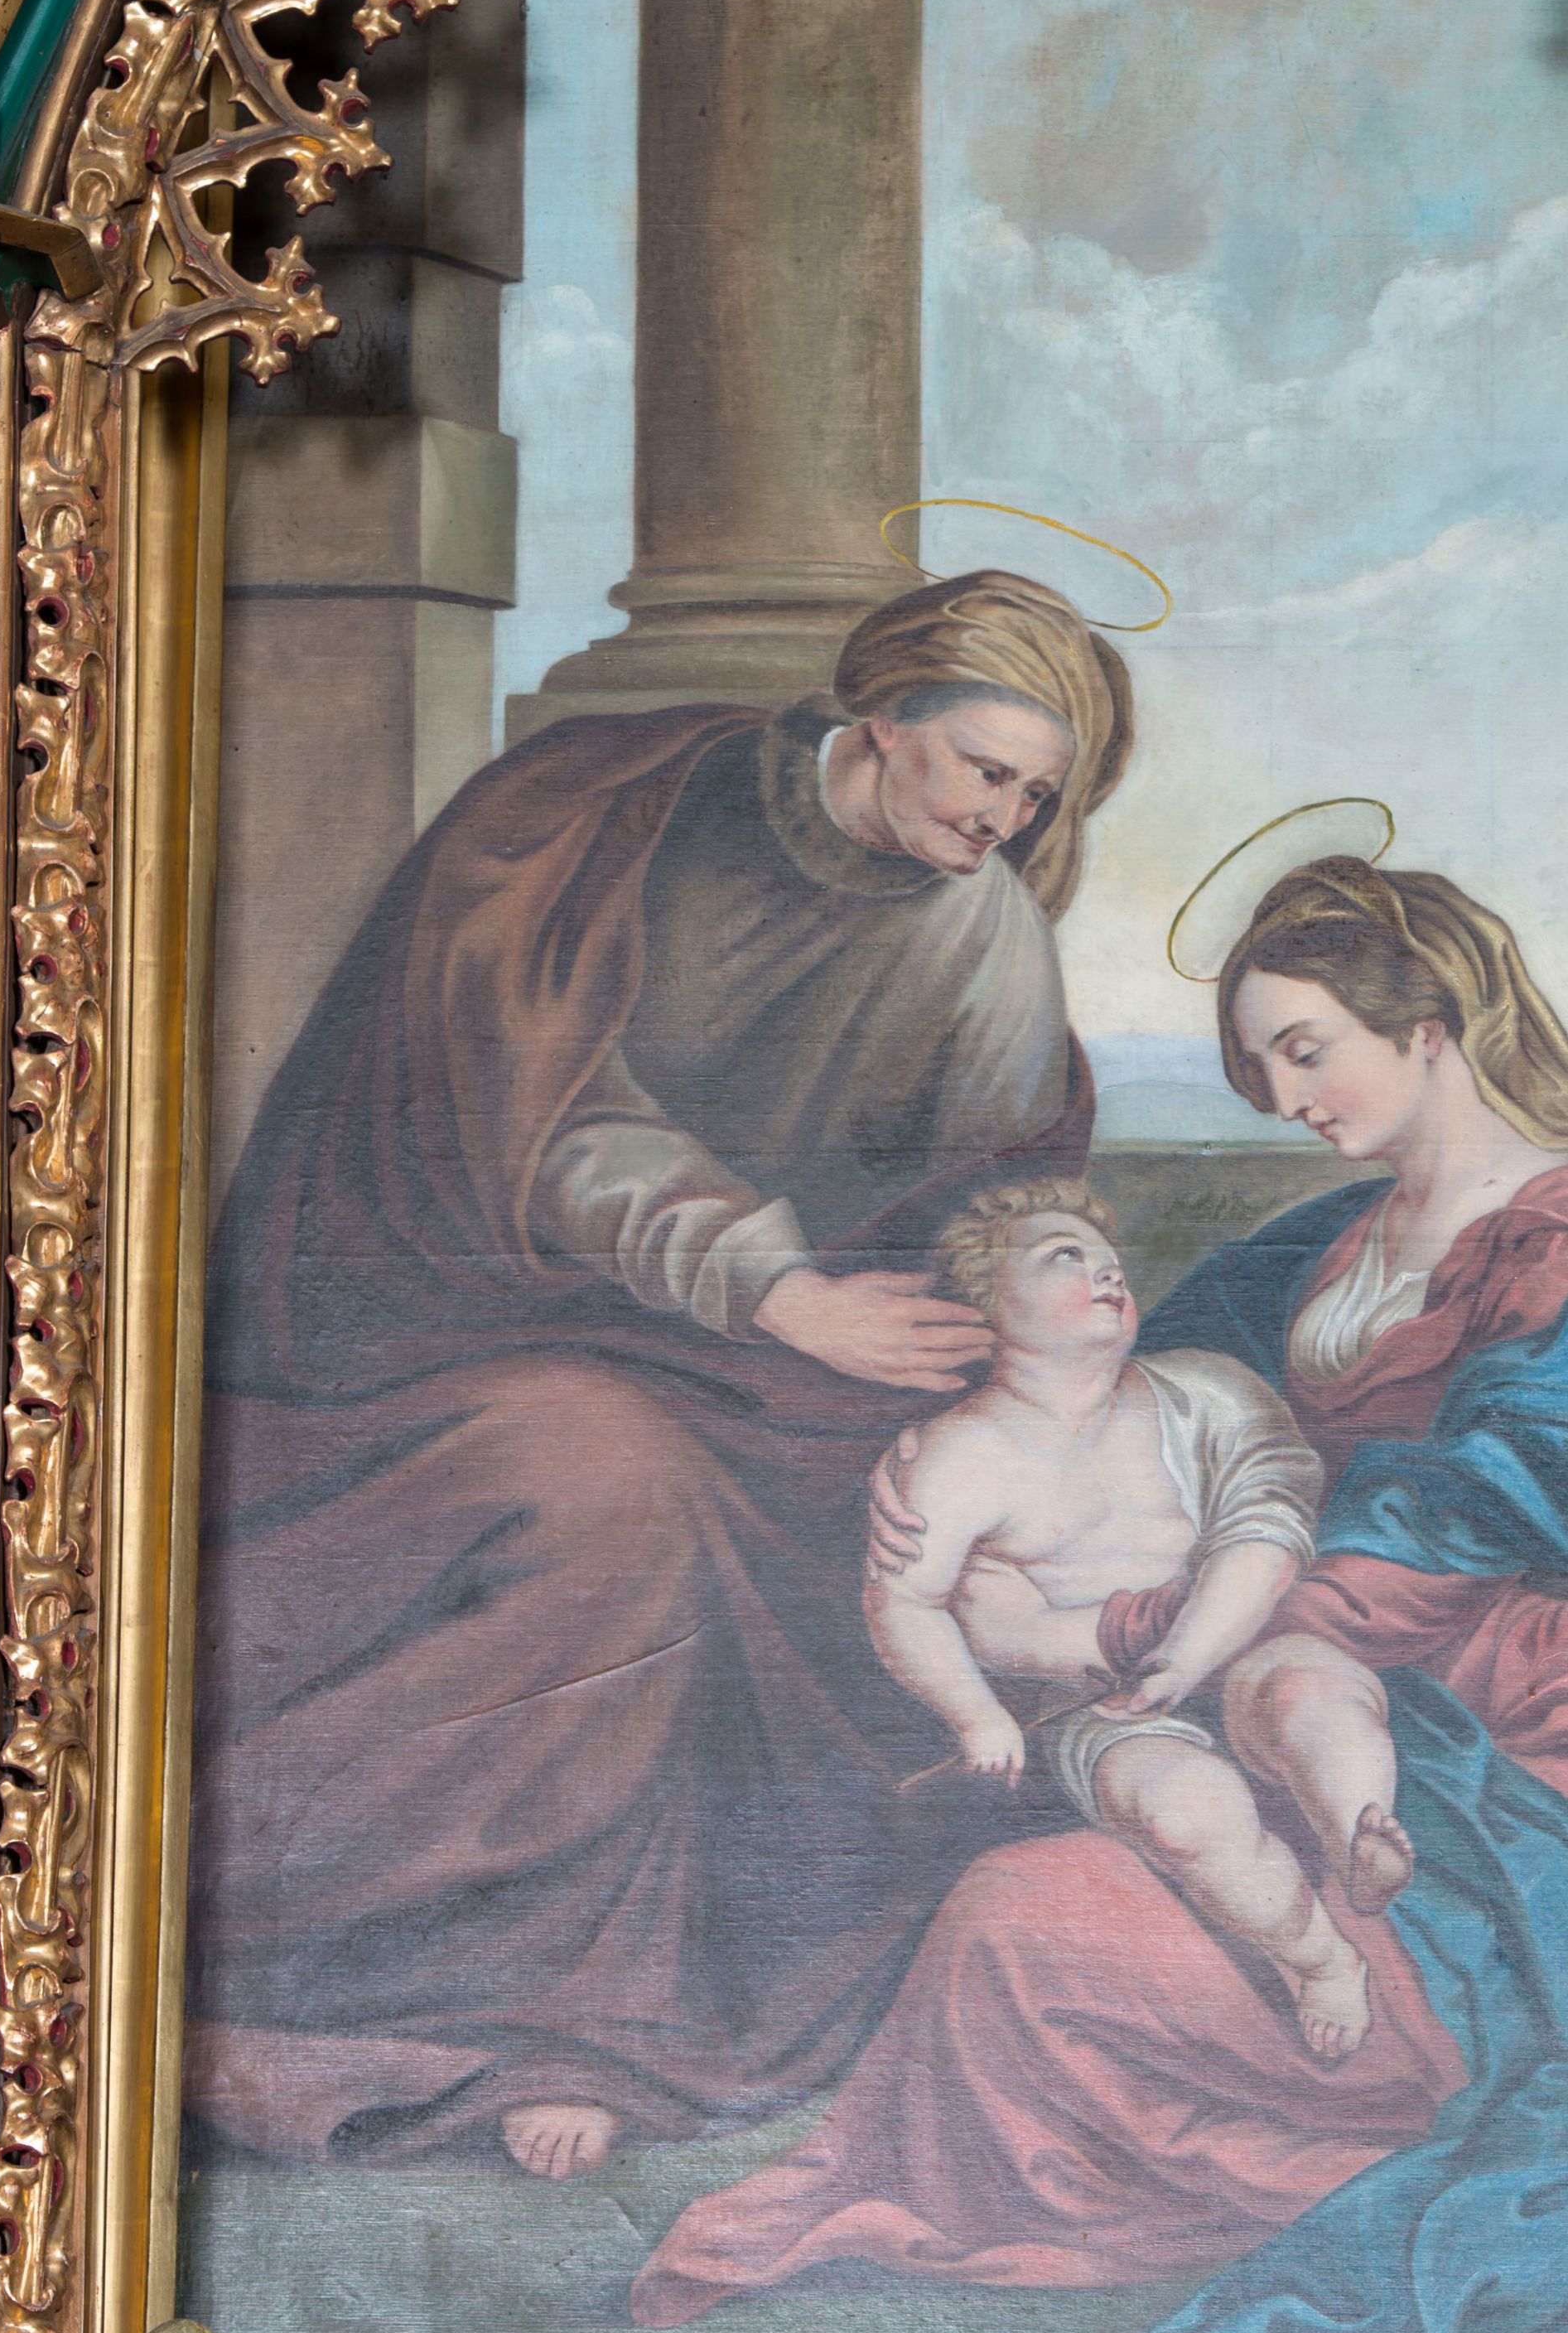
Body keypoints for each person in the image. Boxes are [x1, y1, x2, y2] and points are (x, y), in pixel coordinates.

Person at [636, 855, 1568, 2333]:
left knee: (1074, 1931)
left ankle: (1408, 2112)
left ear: (1429, 1025)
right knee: (1013, 1924)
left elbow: (1504, 1498)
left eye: (1308, 1050)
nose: (1290, 1098)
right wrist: (958, 1484)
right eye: (1261, 1070)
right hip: (1313, 1697)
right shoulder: (1320, 1250)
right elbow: (1119, 1421)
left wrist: (1123, 1630)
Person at [185, 568, 1132, 2182]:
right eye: (987, 770)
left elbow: (978, 1206)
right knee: (605, 1489)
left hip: (761, 1380)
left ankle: (576, 2010)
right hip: (445, 1323)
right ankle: (341, 1971)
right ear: (879, 715)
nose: (1005, 819)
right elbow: (529, 1117)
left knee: (898, 1523)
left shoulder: (984, 939)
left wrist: (947, 1342)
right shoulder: (590, 818)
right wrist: (776, 1289)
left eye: (1037, 797)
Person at [864, 1180, 1365, 2056]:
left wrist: (1188, 1656)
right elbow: (905, 1601)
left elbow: (1273, 1512)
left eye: (1108, 1259)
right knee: (1186, 1814)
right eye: (1066, 1257)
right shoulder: (957, 1453)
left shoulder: (1207, 1389)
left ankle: (1366, 1837)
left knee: (1323, 1703)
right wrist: (974, 1713)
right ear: (991, 1300)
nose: (1106, 1271)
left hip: (1247, 1645)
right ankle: (1322, 1959)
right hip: (1106, 1706)